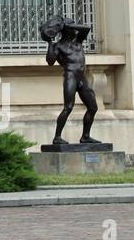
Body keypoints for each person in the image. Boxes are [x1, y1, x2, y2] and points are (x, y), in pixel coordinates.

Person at [40, 16, 100, 145]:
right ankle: (57, 137)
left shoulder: (78, 41)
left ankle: (85, 136)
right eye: (71, 27)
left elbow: (86, 28)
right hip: (70, 77)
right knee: (68, 107)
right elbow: (50, 61)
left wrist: (67, 25)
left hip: (82, 78)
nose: (75, 29)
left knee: (93, 107)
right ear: (66, 30)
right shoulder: (58, 46)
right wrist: (49, 42)